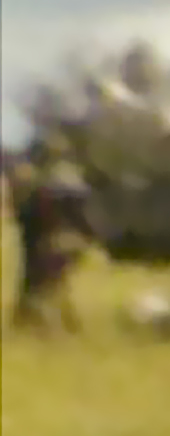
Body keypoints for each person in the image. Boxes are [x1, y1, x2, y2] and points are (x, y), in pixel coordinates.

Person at [9, 141, 102, 336]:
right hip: (65, 241)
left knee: (45, 284)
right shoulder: (72, 181)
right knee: (55, 284)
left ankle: (48, 324)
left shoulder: (40, 183)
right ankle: (62, 323)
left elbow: (28, 215)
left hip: (50, 242)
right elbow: (87, 219)